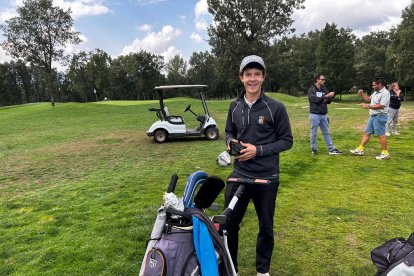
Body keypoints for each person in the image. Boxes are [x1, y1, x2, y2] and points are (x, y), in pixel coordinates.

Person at [224, 55, 293, 276]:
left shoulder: (276, 107)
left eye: (257, 74)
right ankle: (229, 267)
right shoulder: (234, 106)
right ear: (241, 78)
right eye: (248, 74)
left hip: (266, 177)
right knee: (228, 225)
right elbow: (229, 131)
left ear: (263, 77)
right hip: (239, 174)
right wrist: (231, 143)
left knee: (265, 227)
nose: (252, 79)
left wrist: (258, 150)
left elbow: (286, 140)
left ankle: (262, 271)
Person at [350, 77, 391, 160]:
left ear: (380, 84)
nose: (373, 87)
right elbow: (369, 99)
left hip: (380, 116)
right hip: (373, 116)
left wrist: (368, 106)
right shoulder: (376, 92)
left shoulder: (385, 93)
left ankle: (385, 153)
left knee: (381, 135)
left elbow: (382, 105)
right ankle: (360, 150)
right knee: (367, 132)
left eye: (374, 85)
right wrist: (362, 95)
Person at [307, 74, 342, 155]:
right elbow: (314, 99)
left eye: (324, 80)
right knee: (313, 133)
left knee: (326, 132)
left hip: (324, 114)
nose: (324, 81)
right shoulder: (311, 89)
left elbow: (327, 101)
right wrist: (326, 96)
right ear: (317, 80)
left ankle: (331, 149)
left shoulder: (324, 89)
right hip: (315, 114)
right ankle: (314, 149)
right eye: (322, 79)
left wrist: (331, 96)